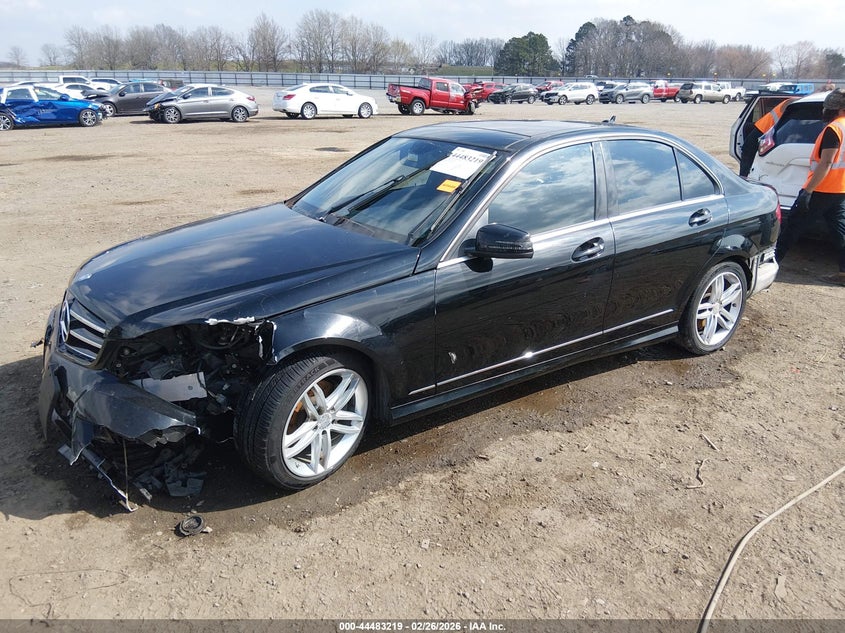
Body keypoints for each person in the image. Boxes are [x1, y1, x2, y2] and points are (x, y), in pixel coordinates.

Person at [775, 88, 845, 285]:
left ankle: (770, 264)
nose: (825, 111)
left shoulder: (835, 129)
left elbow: (827, 163)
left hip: (822, 189)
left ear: (838, 109)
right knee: (840, 230)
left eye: (828, 108)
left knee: (792, 227)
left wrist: (808, 191)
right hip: (840, 189)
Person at [739, 97, 795, 177]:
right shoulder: (792, 101)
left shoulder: (793, 101)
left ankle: (744, 178)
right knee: (748, 153)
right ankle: (744, 176)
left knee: (748, 155)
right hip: (764, 131)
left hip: (764, 131)